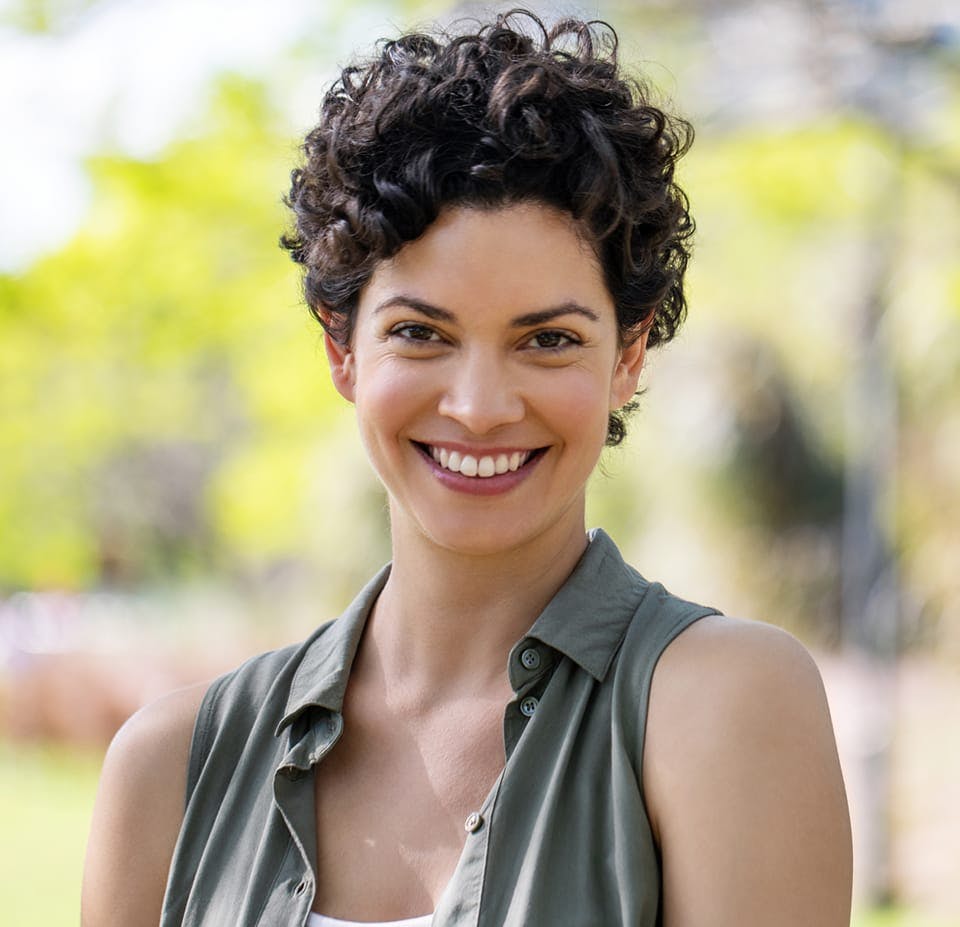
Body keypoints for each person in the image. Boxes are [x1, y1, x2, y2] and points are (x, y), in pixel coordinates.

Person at [82, 9, 852, 926]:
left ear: (629, 355)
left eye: (548, 339)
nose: (480, 406)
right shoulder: (169, 769)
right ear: (342, 350)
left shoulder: (723, 704)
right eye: (420, 332)